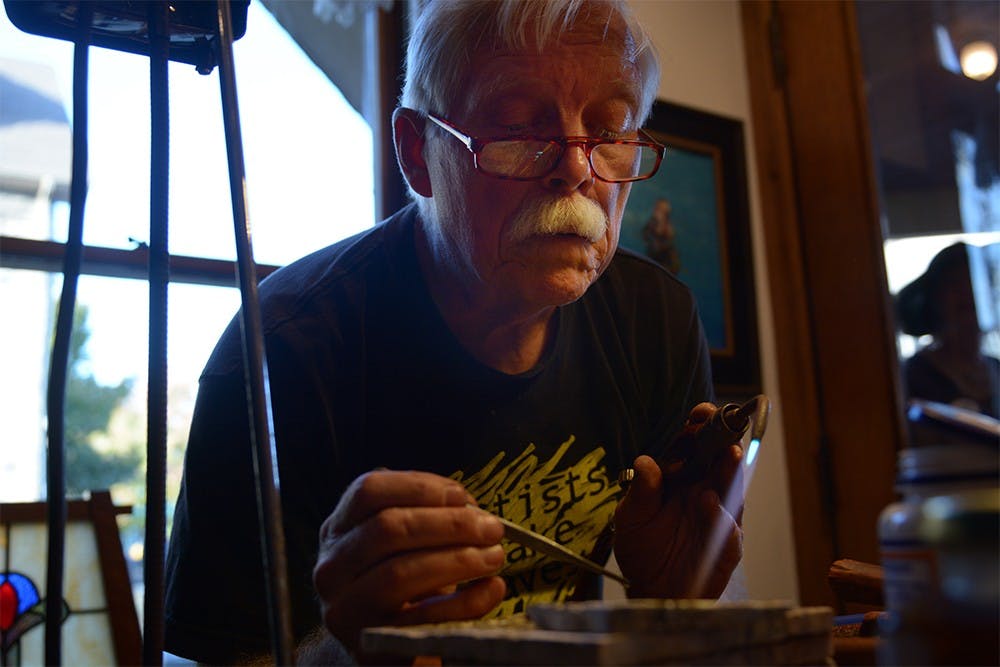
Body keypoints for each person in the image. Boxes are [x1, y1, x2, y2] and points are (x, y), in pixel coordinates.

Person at [164, 1, 745, 663]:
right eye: (522, 127)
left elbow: (680, 607)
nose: (579, 170)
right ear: (417, 153)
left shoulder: (654, 317)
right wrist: (350, 648)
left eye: (609, 130)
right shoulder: (283, 350)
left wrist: (675, 604)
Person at [896, 242, 1000, 420]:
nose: (967, 291)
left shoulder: (995, 368)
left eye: (974, 281)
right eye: (955, 284)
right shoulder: (912, 376)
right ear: (934, 300)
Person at [642, 197, 681, 273]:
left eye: (658, 209)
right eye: (656, 208)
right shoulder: (651, 223)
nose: (656, 211)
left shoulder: (668, 228)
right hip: (654, 255)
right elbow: (644, 235)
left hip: (666, 258)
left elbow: (668, 241)